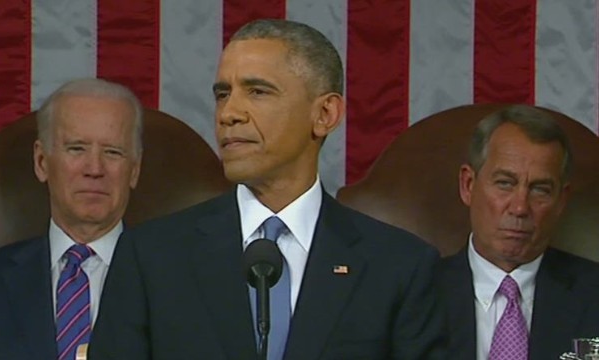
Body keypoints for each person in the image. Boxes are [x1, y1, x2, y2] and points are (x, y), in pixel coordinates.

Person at [89, 19, 445, 360]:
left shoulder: (400, 266)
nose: (229, 113)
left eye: (257, 91)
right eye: (222, 94)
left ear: (325, 114)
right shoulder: (152, 256)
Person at [0, 78, 143, 360]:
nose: (94, 169)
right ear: (42, 162)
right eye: (76, 148)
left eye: (112, 152)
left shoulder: (180, 284)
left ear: (134, 170)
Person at [438, 105, 599, 359]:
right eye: (505, 183)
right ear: (468, 185)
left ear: (561, 200)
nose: (520, 207)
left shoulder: (593, 295)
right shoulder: (417, 292)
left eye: (540, 189)